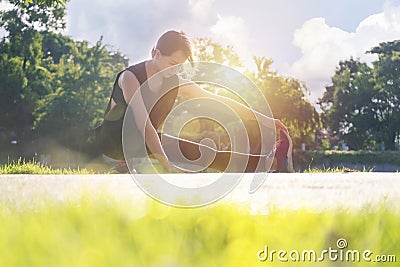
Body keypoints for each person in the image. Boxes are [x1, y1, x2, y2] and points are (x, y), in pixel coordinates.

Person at [96, 30, 289, 173]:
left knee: (203, 153)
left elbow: (217, 100)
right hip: (114, 139)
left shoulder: (175, 82)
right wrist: (168, 166)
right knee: (148, 136)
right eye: (172, 64)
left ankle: (272, 163)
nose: (174, 70)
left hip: (147, 138)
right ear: (155, 53)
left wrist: (265, 119)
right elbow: (143, 124)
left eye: (179, 66)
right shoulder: (130, 78)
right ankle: (128, 162)